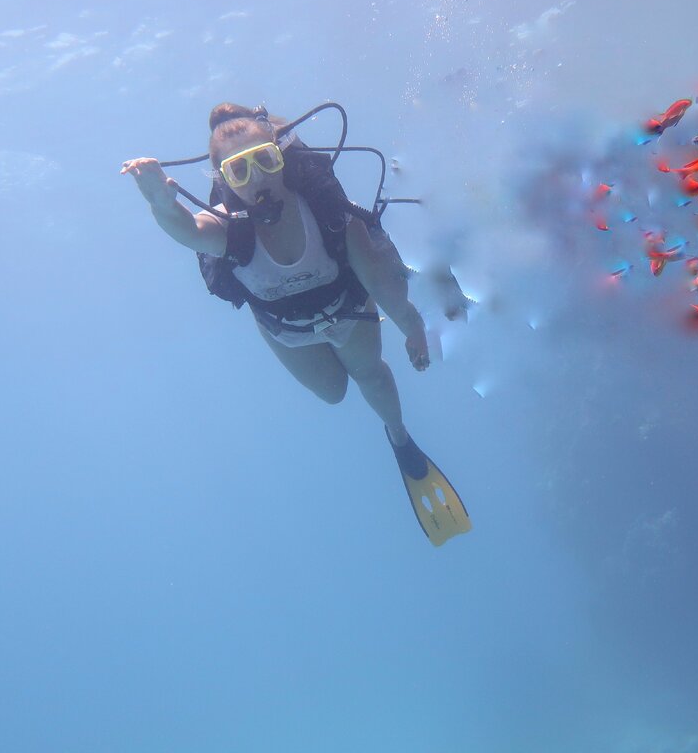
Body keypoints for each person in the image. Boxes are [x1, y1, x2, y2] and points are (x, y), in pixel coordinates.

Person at [121, 103, 470, 545]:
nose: (259, 179)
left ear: (281, 156)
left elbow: (381, 285)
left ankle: (400, 439)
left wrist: (413, 327)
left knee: (370, 376)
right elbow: (187, 229)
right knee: (333, 394)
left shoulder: (327, 215)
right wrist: (158, 200)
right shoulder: (229, 230)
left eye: (265, 160)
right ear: (224, 180)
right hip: (286, 330)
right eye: (241, 171)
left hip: (347, 309)